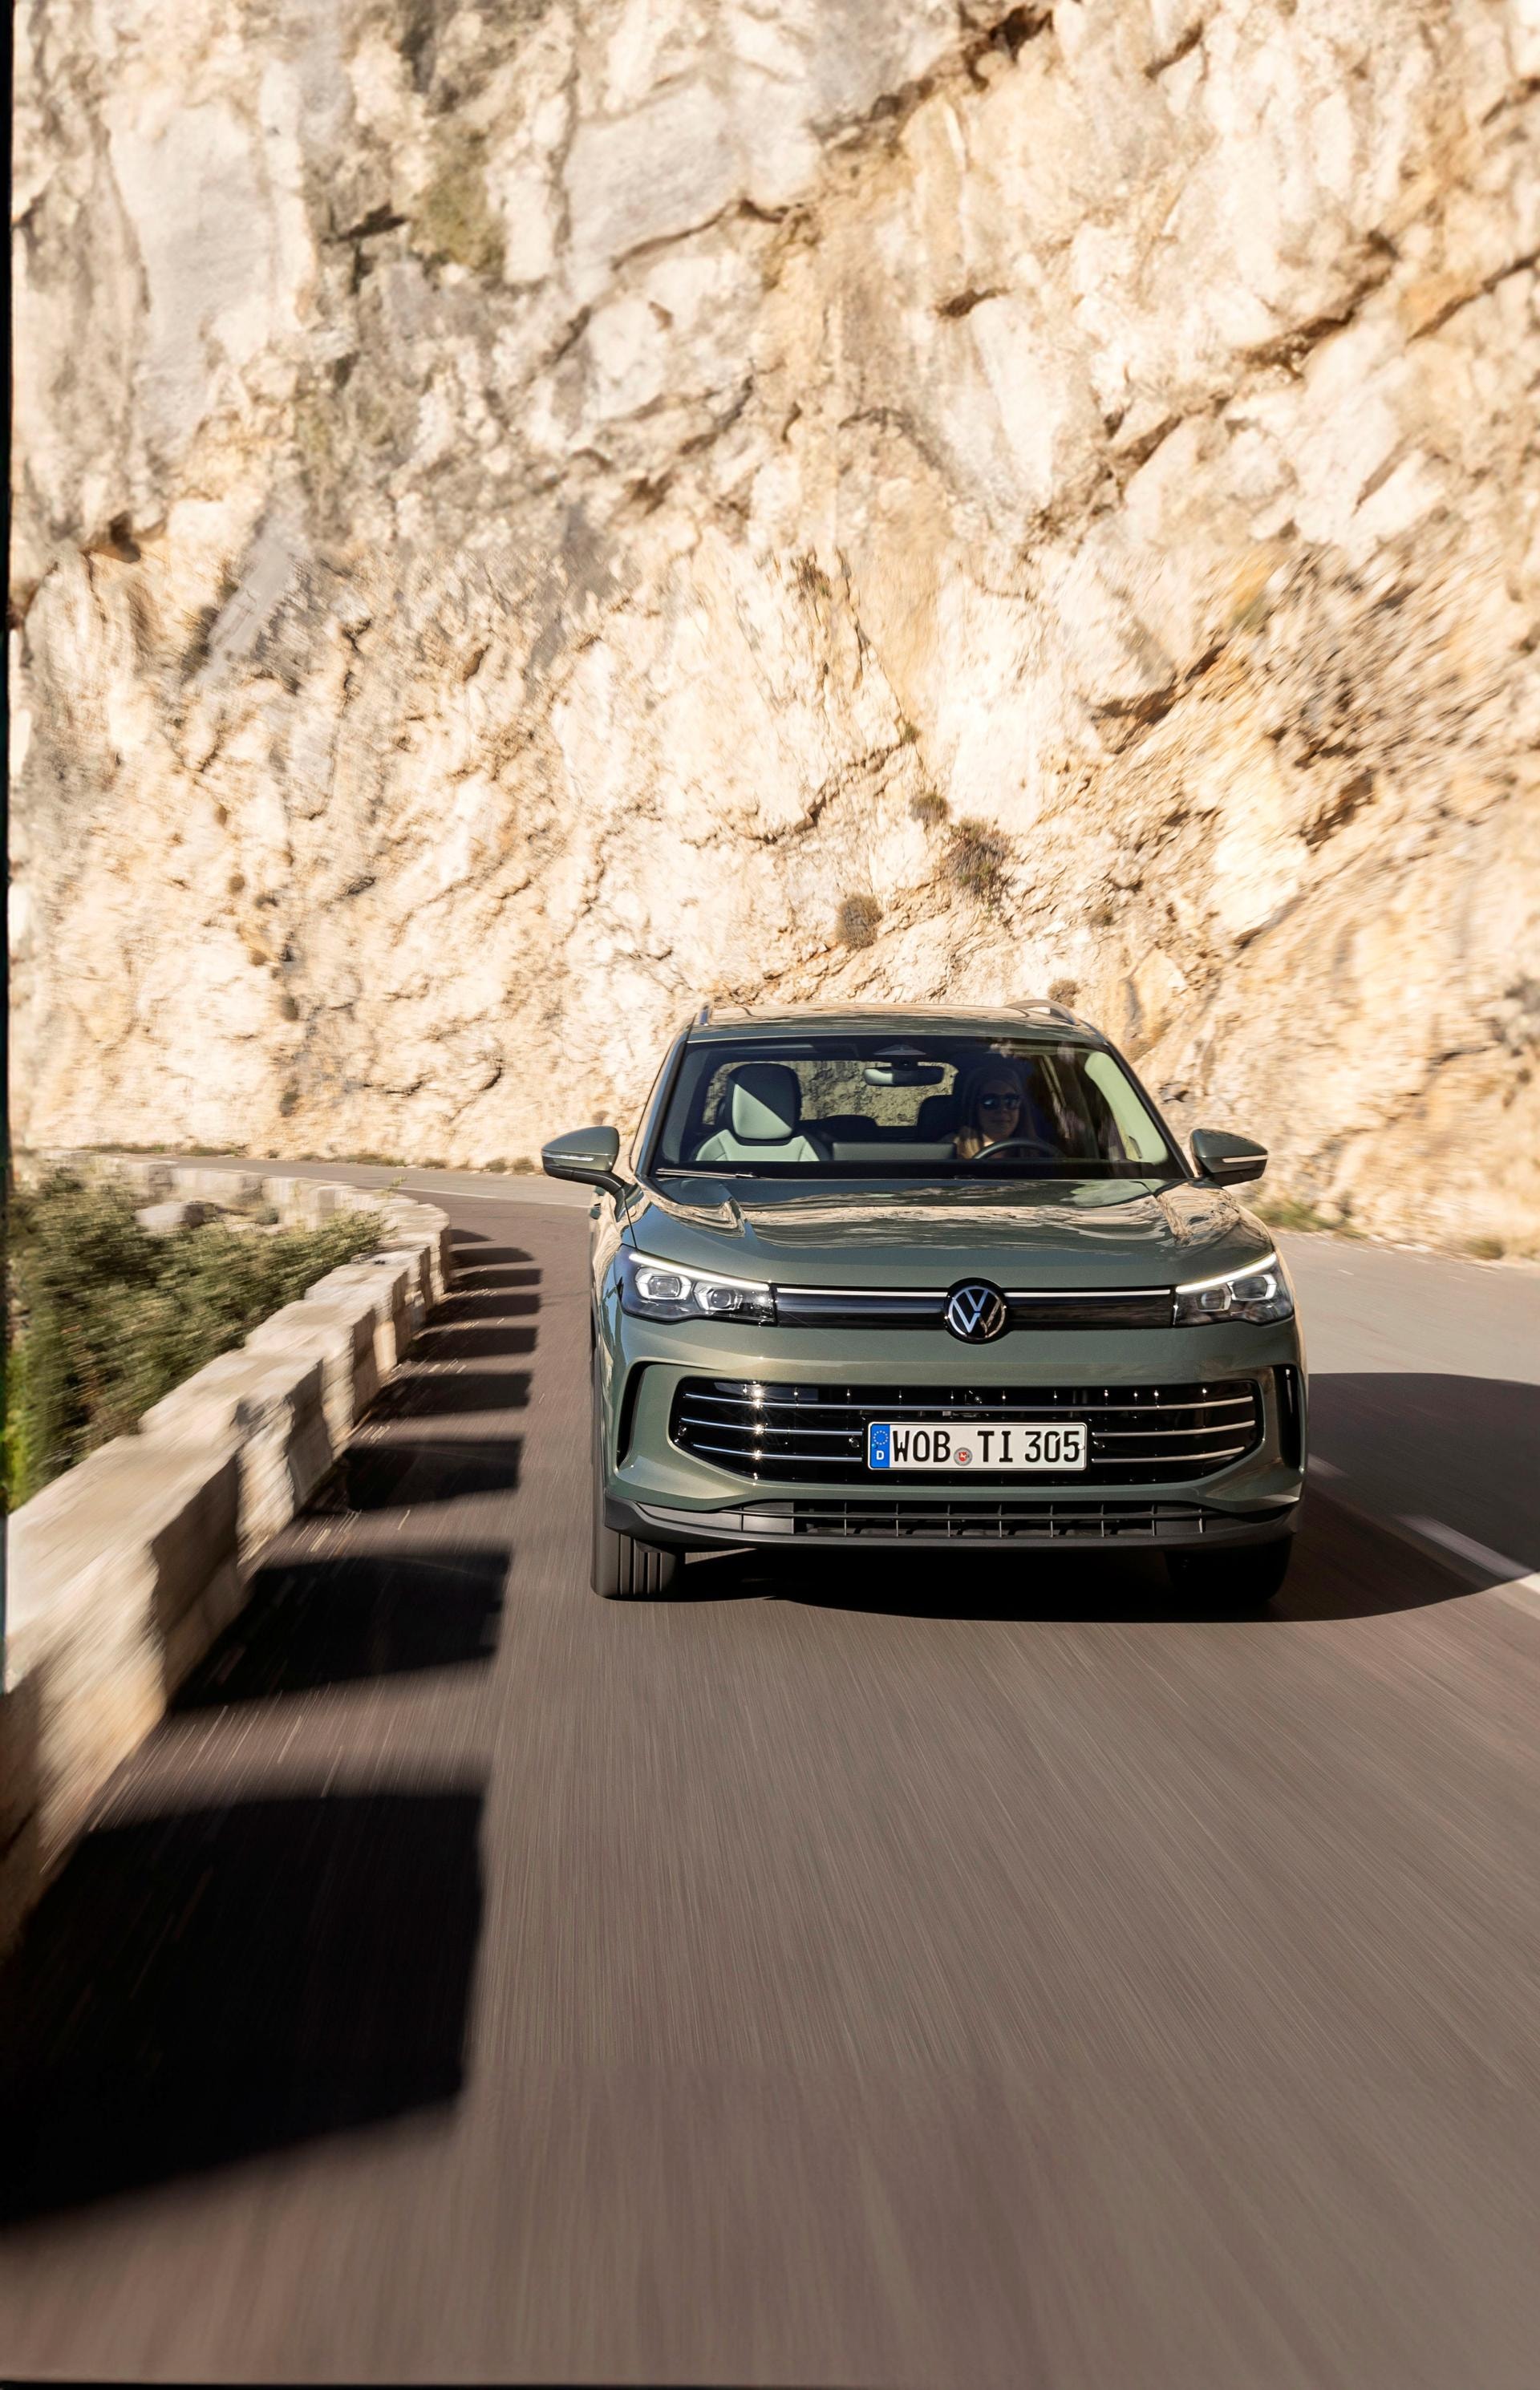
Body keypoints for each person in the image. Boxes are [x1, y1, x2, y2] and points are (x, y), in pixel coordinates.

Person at [953, 1060, 1057, 1160]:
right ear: (975, 1107)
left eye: (1011, 1100)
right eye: (991, 1101)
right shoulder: (952, 1149)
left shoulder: (1043, 1151)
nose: (1003, 1109)